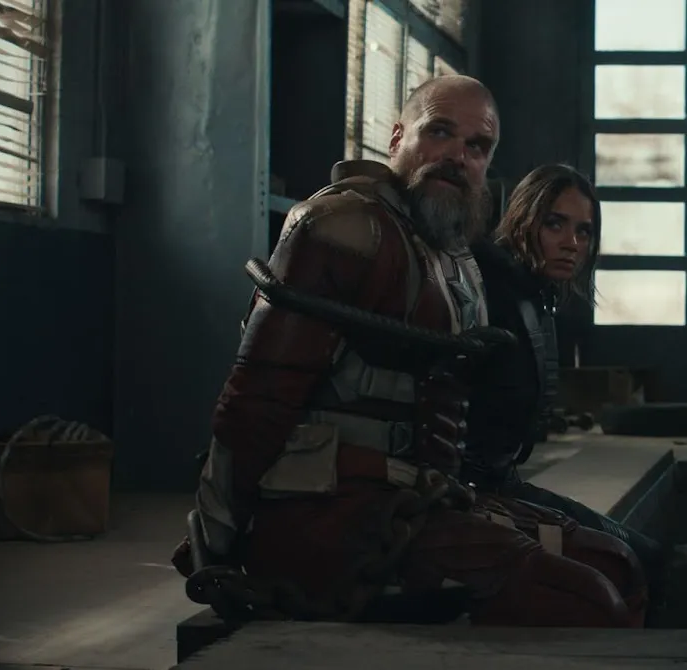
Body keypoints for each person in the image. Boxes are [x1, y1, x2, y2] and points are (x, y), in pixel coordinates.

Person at [172, 75, 641, 628]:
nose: (457, 156)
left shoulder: (453, 257)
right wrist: (217, 537)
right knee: (586, 600)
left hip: (421, 503)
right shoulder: (344, 228)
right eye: (439, 132)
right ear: (397, 138)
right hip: (326, 514)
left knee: (617, 564)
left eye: (477, 145)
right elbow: (255, 402)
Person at [465, 162, 667, 612]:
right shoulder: (486, 287)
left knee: (644, 558)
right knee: (631, 564)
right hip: (468, 494)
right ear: (524, 219)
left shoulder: (534, 294)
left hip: (503, 483)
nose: (571, 243)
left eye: (583, 231)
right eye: (554, 224)